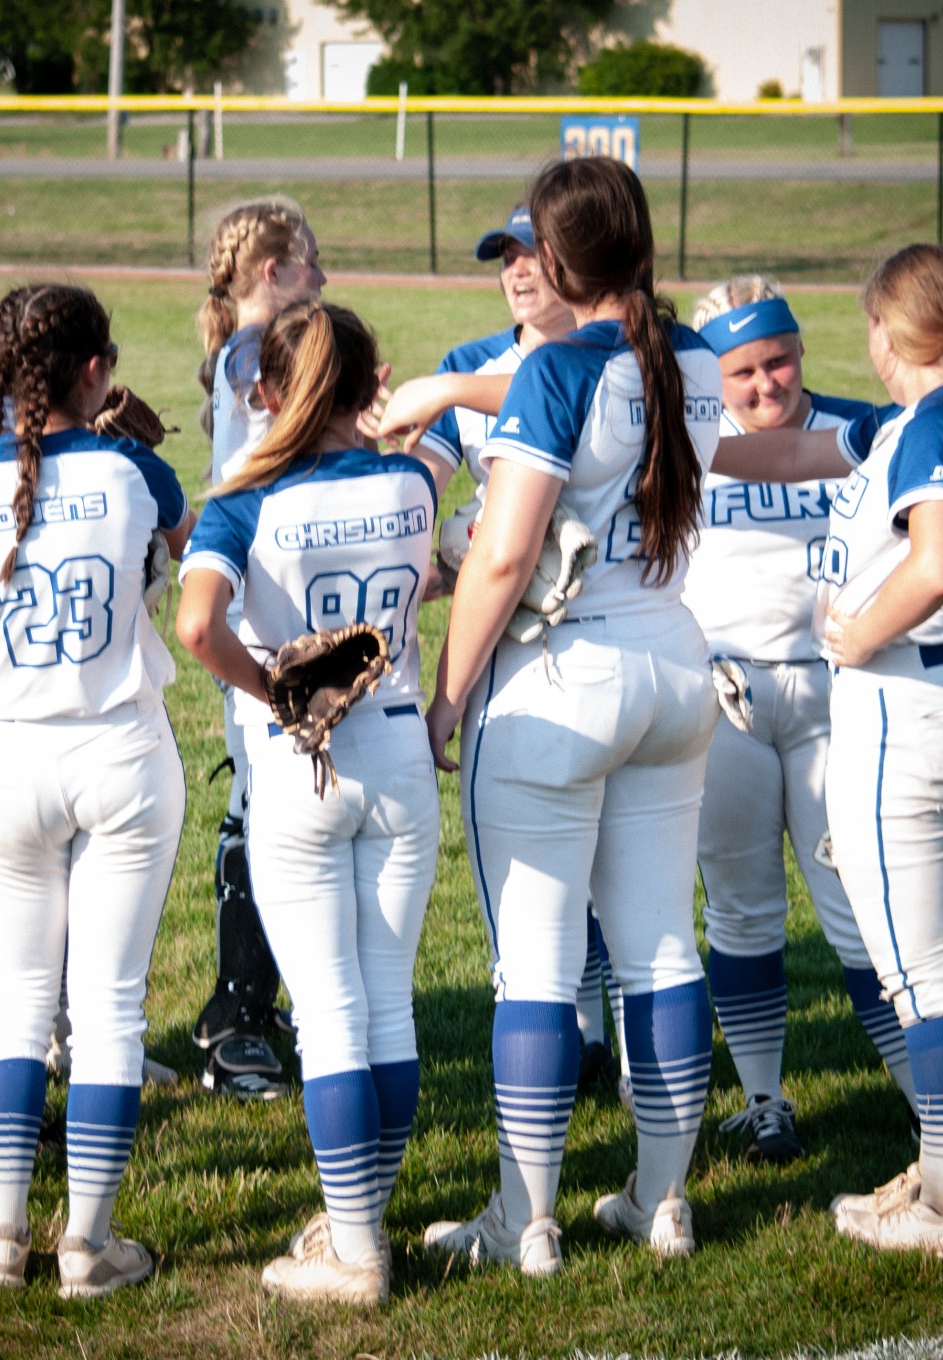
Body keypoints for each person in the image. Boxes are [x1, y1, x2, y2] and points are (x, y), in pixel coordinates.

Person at [387, 157, 724, 1274]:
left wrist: (444, 700)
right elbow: (620, 397)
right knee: (660, 946)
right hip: (672, 662)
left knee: (532, 968)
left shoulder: (554, 368)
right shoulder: (695, 357)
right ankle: (660, 1201)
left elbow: (500, 555)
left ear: (563, 259)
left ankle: (521, 1220)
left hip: (557, 679)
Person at [708, 241, 943, 1258]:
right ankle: (938, 1170)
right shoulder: (925, 418)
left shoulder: (932, 418)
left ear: (892, 332)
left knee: (914, 966)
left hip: (901, 699)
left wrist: (856, 634)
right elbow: (767, 456)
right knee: (911, 956)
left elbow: (931, 562)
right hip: (926, 692)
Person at [0, 284, 191, 1297]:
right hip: (122, 752)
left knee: (14, 999)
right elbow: (185, 546)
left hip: (11, 754)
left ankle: (0, 1236)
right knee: (108, 1008)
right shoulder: (134, 468)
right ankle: (89, 1245)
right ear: (95, 371)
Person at [176, 302, 438, 1306]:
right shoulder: (412, 480)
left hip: (298, 764)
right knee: (385, 1005)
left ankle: (356, 1252)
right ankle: (358, 1219)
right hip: (399, 749)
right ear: (370, 383)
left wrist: (273, 691)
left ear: (267, 393)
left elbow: (196, 625)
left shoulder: (247, 497)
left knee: (330, 1014)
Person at [415, 203, 620, 1091]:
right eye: (505, 256)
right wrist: (418, 557)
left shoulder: (617, 356)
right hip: (518, 644)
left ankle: (605, 1050)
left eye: (535, 254)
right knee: (549, 877)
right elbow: (418, 484)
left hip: (600, 635)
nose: (519, 270)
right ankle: (581, 1039)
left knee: (615, 875)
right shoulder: (468, 362)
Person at [189, 196, 329, 1101]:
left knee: (260, 803)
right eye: (311, 264)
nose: (323, 277)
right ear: (273, 273)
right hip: (255, 613)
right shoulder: (254, 355)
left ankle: (247, 1001)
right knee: (258, 811)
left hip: (254, 596)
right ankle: (236, 1018)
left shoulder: (238, 351)